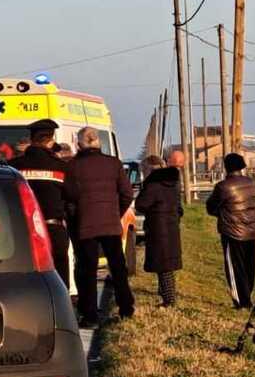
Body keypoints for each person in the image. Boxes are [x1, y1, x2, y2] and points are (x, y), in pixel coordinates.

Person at [65, 127, 135, 327]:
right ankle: (126, 308)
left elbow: (69, 197)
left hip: (86, 225)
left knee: (88, 271)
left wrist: (76, 217)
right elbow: (127, 194)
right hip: (111, 225)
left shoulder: (73, 167)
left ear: (79, 145)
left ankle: (90, 315)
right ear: (98, 143)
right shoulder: (113, 164)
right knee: (118, 268)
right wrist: (116, 213)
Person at [10, 119, 71, 286]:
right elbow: (73, 196)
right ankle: (59, 309)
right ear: (51, 140)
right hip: (54, 229)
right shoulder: (61, 168)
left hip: (21, 230)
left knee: (24, 275)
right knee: (58, 276)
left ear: (31, 139)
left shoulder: (14, 167)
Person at [206, 152, 255, 309]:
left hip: (232, 231)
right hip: (251, 230)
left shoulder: (223, 186)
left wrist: (221, 214)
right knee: (249, 266)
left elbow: (210, 207)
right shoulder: (250, 183)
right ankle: (247, 295)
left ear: (226, 167)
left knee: (235, 268)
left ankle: (242, 302)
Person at [134, 155, 183, 307]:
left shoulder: (153, 185)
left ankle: (169, 300)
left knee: (163, 266)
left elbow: (141, 204)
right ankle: (166, 295)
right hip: (171, 227)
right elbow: (179, 208)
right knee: (167, 265)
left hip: (157, 227)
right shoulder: (173, 183)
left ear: (149, 169)